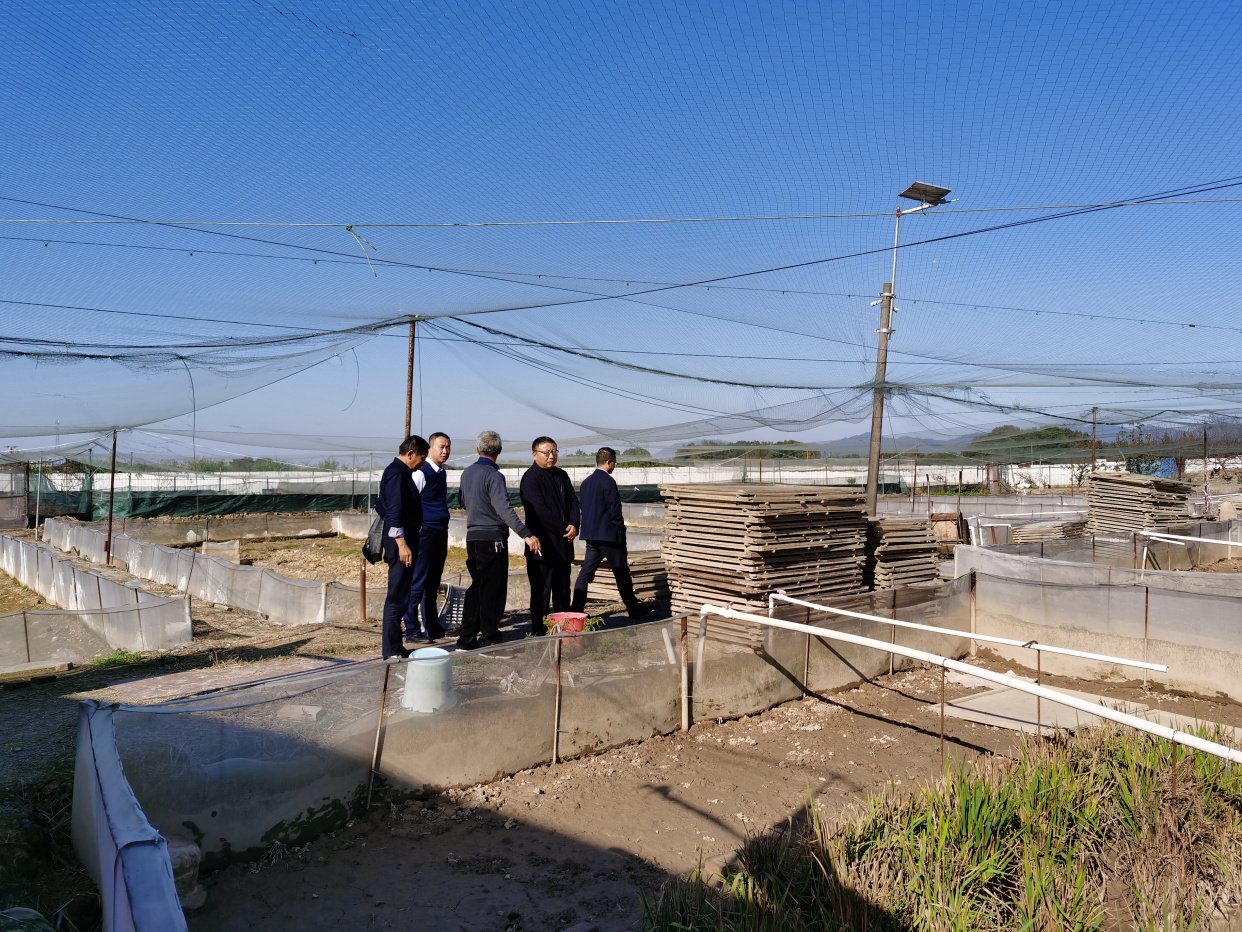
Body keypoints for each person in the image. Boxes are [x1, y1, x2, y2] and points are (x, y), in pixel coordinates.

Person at [457, 431, 540, 650]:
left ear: (478, 450)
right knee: (493, 589)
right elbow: (504, 509)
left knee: (477, 587)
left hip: (473, 538)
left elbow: (463, 502)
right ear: (499, 451)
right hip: (492, 539)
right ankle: (489, 637)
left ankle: (466, 638)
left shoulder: (466, 473)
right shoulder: (494, 476)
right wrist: (525, 533)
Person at [572, 447, 651, 618]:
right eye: (614, 463)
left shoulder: (585, 483)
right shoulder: (608, 482)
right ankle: (634, 609)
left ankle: (576, 610)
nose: (614, 466)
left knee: (585, 573)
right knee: (621, 573)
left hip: (592, 536)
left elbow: (585, 508)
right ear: (609, 462)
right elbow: (615, 509)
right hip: (609, 536)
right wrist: (620, 531)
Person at [519, 437, 581, 636]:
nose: (551, 456)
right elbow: (540, 512)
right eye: (546, 452)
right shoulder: (530, 478)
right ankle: (541, 633)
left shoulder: (561, 475)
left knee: (563, 591)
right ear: (534, 454)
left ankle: (565, 633)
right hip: (542, 546)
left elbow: (573, 501)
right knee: (542, 594)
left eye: (554, 451)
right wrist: (565, 528)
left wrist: (574, 524)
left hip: (563, 545)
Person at [376, 435, 429, 659]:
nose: (423, 463)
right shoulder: (397, 474)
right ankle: (390, 650)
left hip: (404, 540)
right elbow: (393, 510)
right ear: (410, 454)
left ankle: (396, 646)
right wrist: (401, 543)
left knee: (402, 594)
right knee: (397, 596)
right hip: (401, 544)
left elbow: (381, 506)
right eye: (422, 457)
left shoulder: (399, 472)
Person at [403, 431, 451, 644]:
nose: (445, 451)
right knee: (418, 580)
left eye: (448, 447)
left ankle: (431, 625)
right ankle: (412, 629)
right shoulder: (421, 473)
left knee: (433, 581)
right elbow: (409, 503)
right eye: (441, 447)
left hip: (440, 531)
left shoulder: (441, 473)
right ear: (429, 448)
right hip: (425, 532)